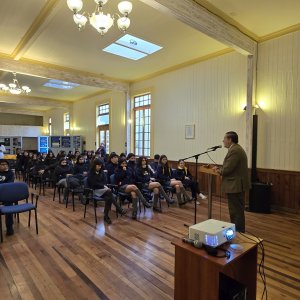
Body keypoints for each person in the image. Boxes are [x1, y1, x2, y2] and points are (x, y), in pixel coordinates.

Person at [213, 131, 250, 232]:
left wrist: (219, 170)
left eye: (224, 139)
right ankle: (238, 231)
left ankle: (238, 232)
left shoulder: (234, 150)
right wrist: (220, 169)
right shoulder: (236, 148)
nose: (223, 141)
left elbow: (228, 169)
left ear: (230, 140)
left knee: (236, 211)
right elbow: (231, 167)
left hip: (235, 185)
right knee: (237, 210)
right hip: (236, 185)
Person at [87, 159, 126, 224]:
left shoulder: (101, 172)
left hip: (103, 188)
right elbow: (93, 184)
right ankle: (118, 209)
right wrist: (102, 186)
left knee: (108, 197)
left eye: (100, 166)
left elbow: (105, 181)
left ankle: (106, 216)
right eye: (98, 166)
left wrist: (103, 186)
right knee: (109, 193)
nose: (99, 167)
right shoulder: (91, 173)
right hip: (95, 190)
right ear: (94, 165)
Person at [0, 159, 15, 235]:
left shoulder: (10, 173)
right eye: (2, 164)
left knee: (9, 204)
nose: (5, 166)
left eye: (6, 164)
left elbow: (9, 185)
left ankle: (9, 226)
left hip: (6, 194)